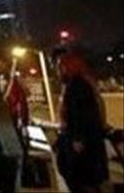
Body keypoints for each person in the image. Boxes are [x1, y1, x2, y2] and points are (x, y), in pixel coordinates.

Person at [53, 50, 109, 193]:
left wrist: (78, 138)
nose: (58, 70)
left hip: (80, 140)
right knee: (83, 176)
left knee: (80, 176)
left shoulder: (76, 85)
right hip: (84, 138)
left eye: (60, 66)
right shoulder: (81, 83)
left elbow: (79, 114)